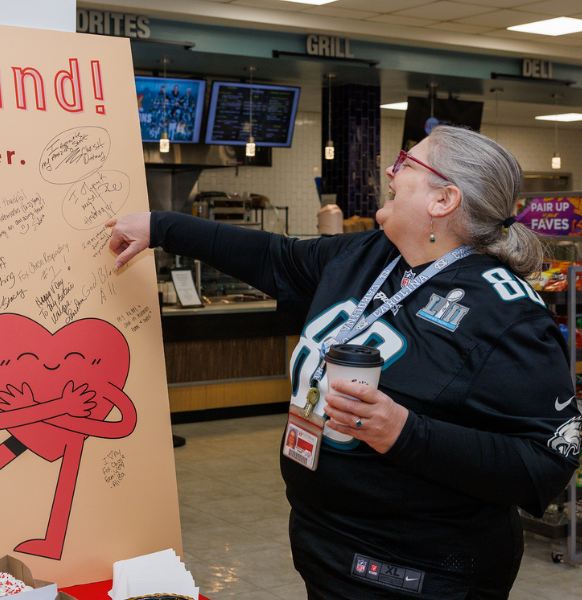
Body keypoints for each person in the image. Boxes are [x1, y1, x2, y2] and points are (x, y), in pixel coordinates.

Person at [106, 125, 582, 600]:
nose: (391, 172)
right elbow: (273, 256)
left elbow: (546, 459)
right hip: (326, 550)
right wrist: (160, 227)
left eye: (407, 165)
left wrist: (404, 431)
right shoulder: (374, 255)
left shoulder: (507, 313)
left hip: (421, 573)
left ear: (444, 200)